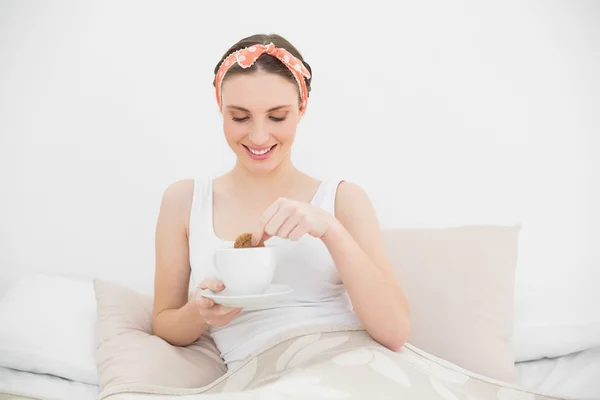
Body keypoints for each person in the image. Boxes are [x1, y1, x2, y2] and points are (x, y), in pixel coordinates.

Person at [151, 33, 410, 370]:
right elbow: (164, 323)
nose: (258, 137)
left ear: (302, 109)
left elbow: (395, 332)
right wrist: (199, 312)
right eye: (240, 118)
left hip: (355, 365)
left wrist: (330, 229)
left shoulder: (342, 199)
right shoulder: (184, 200)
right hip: (263, 375)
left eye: (277, 117)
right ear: (221, 110)